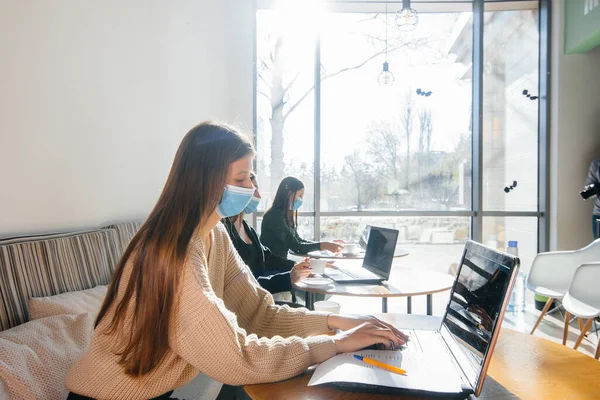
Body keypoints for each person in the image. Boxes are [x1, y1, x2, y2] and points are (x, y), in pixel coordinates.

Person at [65, 122, 407, 400]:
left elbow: (259, 313)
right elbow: (237, 358)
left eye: (250, 177)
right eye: (240, 179)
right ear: (205, 181)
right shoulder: (173, 253)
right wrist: (333, 345)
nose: (250, 188)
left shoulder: (214, 235)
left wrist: (336, 322)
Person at [222, 172, 311, 303]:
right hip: (248, 301)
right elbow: (242, 284)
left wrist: (297, 266)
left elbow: (267, 256)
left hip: (261, 293)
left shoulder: (247, 228)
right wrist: (288, 278)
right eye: (253, 189)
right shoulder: (224, 232)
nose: (258, 195)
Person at [260, 176, 344, 259]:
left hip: (281, 263)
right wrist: (324, 246)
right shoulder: (274, 217)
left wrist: (326, 245)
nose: (301, 200)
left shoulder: (285, 216)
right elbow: (297, 247)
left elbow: (299, 241)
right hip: (273, 267)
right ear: (289, 194)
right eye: (300, 195)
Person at [586, 157, 600, 239]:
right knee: (598, 250)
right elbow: (587, 193)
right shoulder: (596, 164)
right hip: (599, 215)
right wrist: (595, 189)